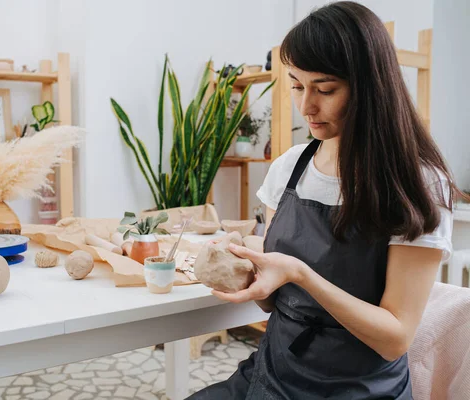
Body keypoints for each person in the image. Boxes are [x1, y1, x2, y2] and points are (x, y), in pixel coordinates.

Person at [188, 2, 464, 399]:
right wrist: (247, 264)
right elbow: (272, 304)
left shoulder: (416, 185)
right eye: (297, 86)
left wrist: (300, 273)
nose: (306, 107)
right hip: (276, 372)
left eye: (326, 89)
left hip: (359, 389)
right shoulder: (289, 169)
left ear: (371, 87)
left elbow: (395, 338)